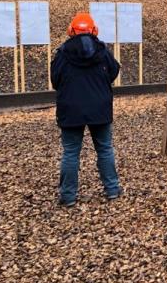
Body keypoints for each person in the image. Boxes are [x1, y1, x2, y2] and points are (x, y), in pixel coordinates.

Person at [51, 13, 121, 207]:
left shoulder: (62, 53)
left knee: (71, 152)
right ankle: (112, 189)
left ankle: (68, 196)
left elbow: (55, 79)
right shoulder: (103, 51)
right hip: (100, 108)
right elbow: (114, 71)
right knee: (105, 149)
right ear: (93, 30)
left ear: (71, 31)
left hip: (71, 109)